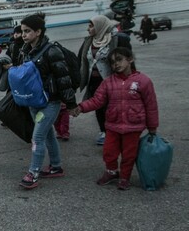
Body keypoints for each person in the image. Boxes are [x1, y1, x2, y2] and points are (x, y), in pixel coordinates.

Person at [70, 47, 158, 190]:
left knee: (129, 155)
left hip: (133, 127)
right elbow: (96, 100)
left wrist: (152, 127)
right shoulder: (108, 82)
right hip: (112, 125)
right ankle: (111, 172)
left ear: (130, 59)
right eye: (112, 62)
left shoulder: (143, 81)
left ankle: (125, 177)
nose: (116, 64)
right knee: (109, 152)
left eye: (119, 60)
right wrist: (80, 107)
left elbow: (151, 105)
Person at [18, 13, 77, 189]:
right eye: (22, 31)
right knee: (48, 134)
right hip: (35, 102)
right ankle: (56, 167)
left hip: (51, 102)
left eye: (27, 31)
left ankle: (33, 172)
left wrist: (71, 103)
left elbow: (63, 78)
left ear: (38, 32)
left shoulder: (52, 51)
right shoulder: (26, 50)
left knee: (37, 137)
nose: (23, 35)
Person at [78, 15, 132, 145]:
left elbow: (127, 59)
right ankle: (104, 131)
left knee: (113, 107)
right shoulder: (89, 41)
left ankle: (117, 131)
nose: (88, 29)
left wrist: (129, 78)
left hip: (111, 80)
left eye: (91, 26)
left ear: (100, 26)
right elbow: (80, 59)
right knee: (98, 106)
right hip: (94, 81)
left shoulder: (116, 39)